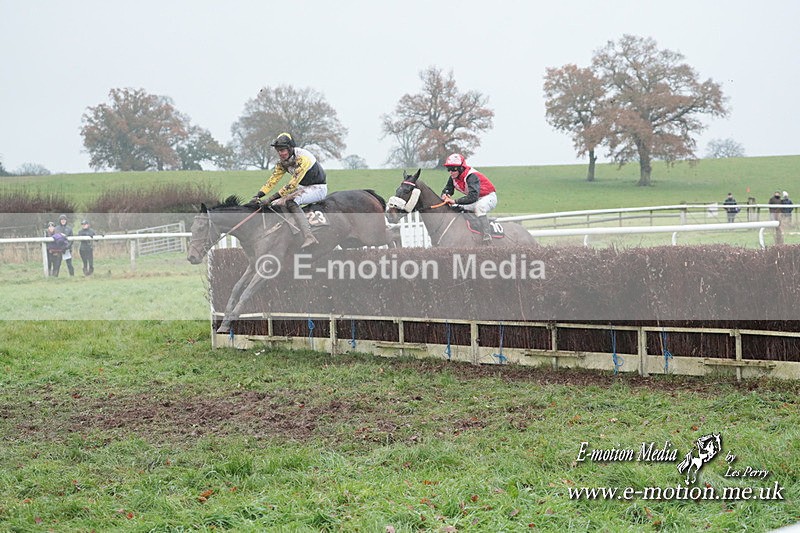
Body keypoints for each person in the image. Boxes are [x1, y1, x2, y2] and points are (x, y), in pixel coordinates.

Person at [248, 132, 326, 248]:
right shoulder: (282, 163)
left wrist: (270, 198)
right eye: (278, 151)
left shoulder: (302, 159)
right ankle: (291, 231)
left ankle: (309, 235)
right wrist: (258, 195)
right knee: (275, 204)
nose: (280, 153)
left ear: (290, 148)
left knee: (291, 201)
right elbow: (272, 180)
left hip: (318, 188)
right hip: (303, 187)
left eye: (283, 150)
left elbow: (292, 185)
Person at [440, 153, 498, 242]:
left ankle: (487, 234)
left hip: (488, 197)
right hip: (475, 198)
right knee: (456, 208)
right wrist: (445, 195)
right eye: (449, 169)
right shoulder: (453, 177)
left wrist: (454, 201)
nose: (451, 172)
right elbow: (448, 190)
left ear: (461, 168)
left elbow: (473, 197)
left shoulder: (471, 176)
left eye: (453, 169)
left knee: (479, 207)